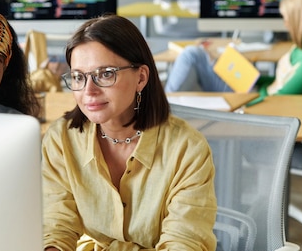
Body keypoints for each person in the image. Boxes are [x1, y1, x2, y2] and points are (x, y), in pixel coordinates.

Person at [42, 14, 217, 251]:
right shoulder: (60, 139)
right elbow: (56, 227)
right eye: (78, 77)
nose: (89, 91)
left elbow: (184, 242)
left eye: (105, 74)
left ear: (141, 77)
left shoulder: (187, 149)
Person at [164, 0, 302, 104]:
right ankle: (160, 109)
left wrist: (247, 99)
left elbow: (282, 98)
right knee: (199, 54)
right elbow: (281, 83)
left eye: (288, 18)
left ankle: (156, 114)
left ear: (301, 21)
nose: (285, 23)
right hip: (253, 91)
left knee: (192, 55)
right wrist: (251, 77)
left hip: (254, 102)